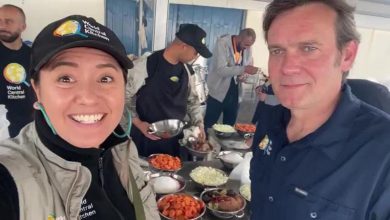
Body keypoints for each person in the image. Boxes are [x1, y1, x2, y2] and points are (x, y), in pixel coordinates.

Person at [0, 15, 159, 220]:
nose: (88, 97)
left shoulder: (124, 148)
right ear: (37, 90)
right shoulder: (10, 178)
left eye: (105, 78)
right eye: (65, 78)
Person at [250, 1, 390, 219]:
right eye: (277, 50)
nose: (287, 67)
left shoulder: (383, 155)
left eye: (308, 48)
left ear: (347, 55)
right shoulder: (269, 120)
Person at [126, 23, 212, 157]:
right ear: (184, 46)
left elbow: (193, 101)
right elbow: (124, 97)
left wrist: (199, 124)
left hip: (176, 140)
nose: (196, 57)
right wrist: (138, 123)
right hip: (146, 137)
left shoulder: (187, 71)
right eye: (196, 53)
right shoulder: (145, 66)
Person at [204, 28, 260, 130]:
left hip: (235, 91)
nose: (247, 48)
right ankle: (206, 144)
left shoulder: (248, 48)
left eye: (250, 45)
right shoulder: (223, 44)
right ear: (239, 38)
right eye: (246, 45)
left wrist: (244, 75)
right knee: (209, 124)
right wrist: (244, 69)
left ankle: (224, 146)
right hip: (218, 91)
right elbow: (221, 70)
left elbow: (246, 65)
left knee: (229, 126)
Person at [0, 4, 35, 138]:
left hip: (29, 129)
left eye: (9, 21)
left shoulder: (34, 56)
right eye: (0, 21)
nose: (3, 26)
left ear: (23, 26)